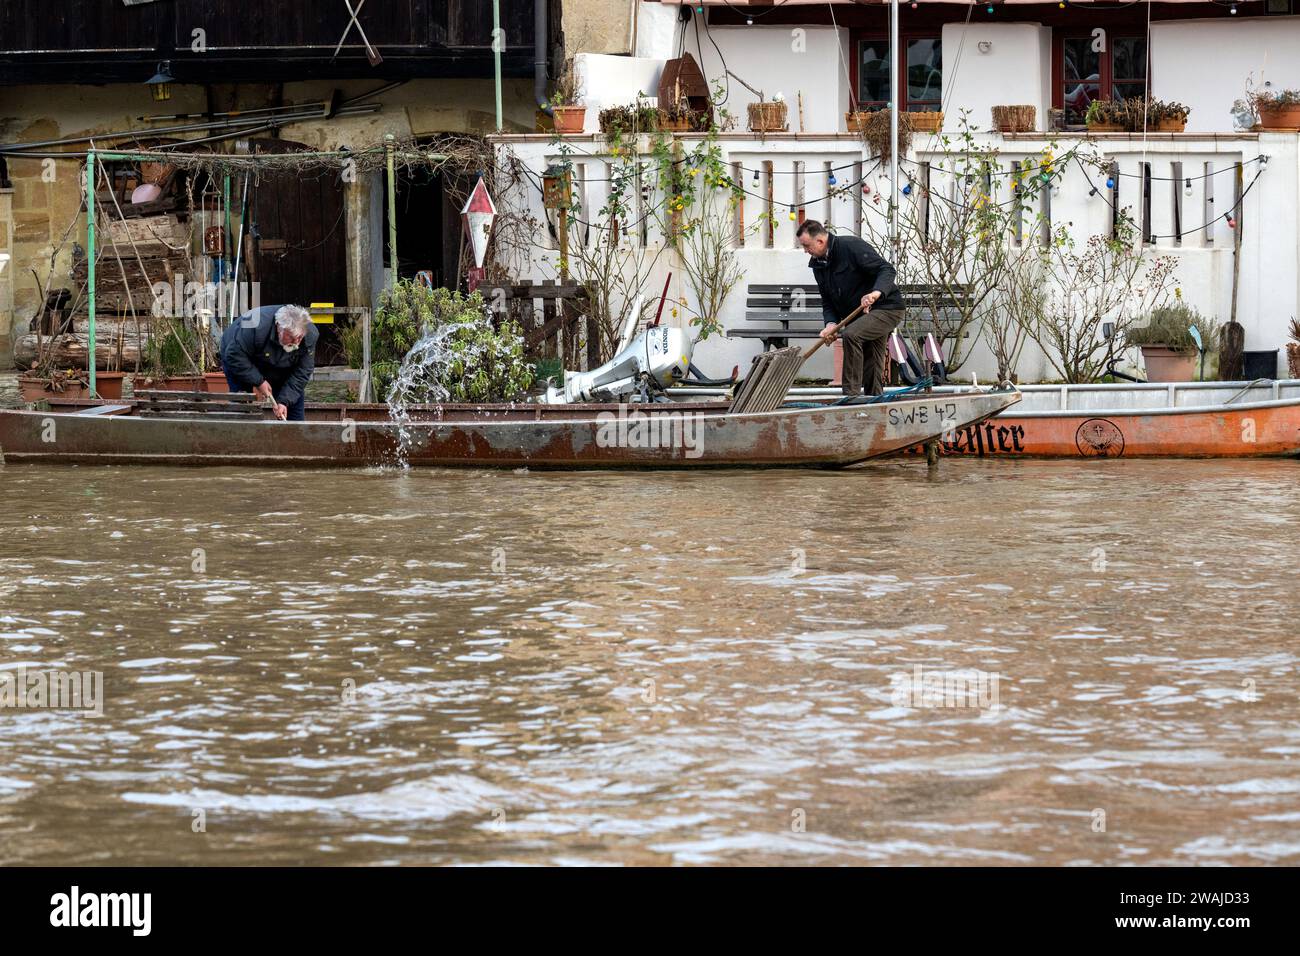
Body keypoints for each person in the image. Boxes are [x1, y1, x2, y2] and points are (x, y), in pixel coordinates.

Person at [796, 220, 906, 396]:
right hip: (861, 316)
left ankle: (850, 396)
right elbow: (828, 300)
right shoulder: (818, 265)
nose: (805, 250)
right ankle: (874, 402)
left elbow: (886, 269)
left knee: (851, 335)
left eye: (806, 246)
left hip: (886, 307)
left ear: (820, 241)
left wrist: (876, 293)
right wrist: (830, 324)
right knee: (872, 361)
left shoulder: (851, 246)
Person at [219, 304, 317, 421]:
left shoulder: (309, 333)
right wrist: (259, 381)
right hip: (239, 355)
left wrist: (284, 401)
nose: (296, 343)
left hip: (281, 361)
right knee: (242, 405)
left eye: (300, 337)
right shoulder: (253, 325)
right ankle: (242, 436)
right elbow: (234, 355)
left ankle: (294, 437)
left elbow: (302, 372)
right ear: (279, 327)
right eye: (291, 337)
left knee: (293, 406)